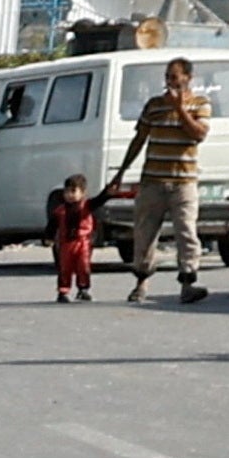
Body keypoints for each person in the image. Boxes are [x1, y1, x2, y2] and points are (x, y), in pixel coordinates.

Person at [104, 56, 212, 306]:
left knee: (186, 232)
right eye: (167, 77)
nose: (170, 82)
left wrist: (180, 109)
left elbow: (199, 134)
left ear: (188, 78)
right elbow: (139, 139)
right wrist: (121, 173)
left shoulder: (200, 104)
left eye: (175, 77)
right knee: (144, 233)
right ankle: (141, 282)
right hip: (153, 181)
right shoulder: (154, 106)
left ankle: (188, 283)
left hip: (183, 183)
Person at [47, 172, 99, 302]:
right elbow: (52, 225)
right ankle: (63, 291)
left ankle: (83, 289)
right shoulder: (61, 210)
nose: (69, 195)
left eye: (73, 191)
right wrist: (49, 238)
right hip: (66, 244)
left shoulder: (87, 206)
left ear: (82, 193)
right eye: (66, 192)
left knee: (83, 266)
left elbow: (99, 201)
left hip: (83, 242)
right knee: (65, 267)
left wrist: (108, 193)